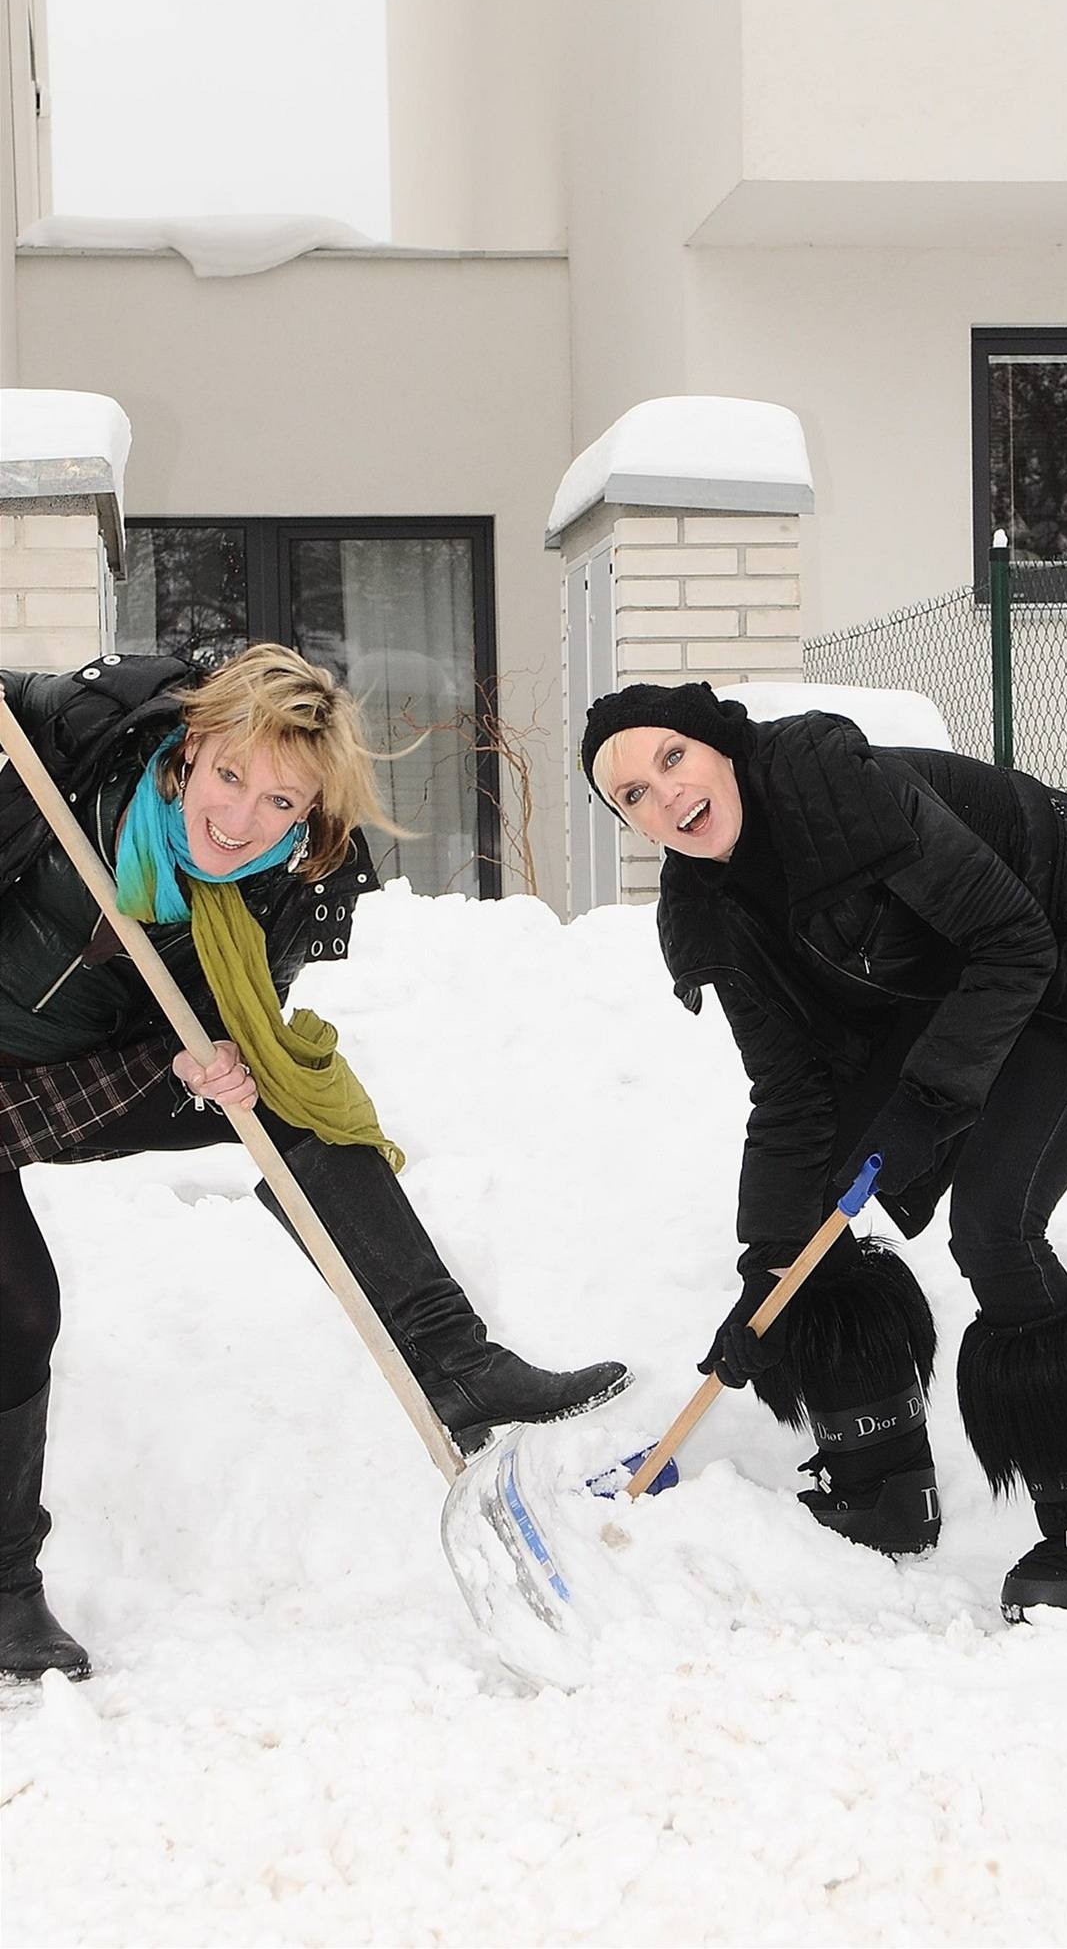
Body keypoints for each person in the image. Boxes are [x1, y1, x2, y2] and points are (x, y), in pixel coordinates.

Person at [580, 681, 1067, 1623]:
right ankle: (881, 1486)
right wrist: (767, 1265)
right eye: (632, 795)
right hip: (959, 986)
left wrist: (928, 1100)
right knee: (811, 1215)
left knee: (995, 1222)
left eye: (671, 759)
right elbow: (791, 1093)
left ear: (716, 747)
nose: (666, 797)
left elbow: (1011, 940)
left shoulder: (830, 784)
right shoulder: (711, 913)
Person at [0, 647, 630, 1682]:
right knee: (18, 1310)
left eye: (280, 799)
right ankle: (6, 1594)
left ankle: (457, 1362)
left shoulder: (290, 887)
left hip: (89, 1074)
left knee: (295, 1092)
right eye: (231, 776)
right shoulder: (91, 734)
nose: (241, 818)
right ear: (190, 750)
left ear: (309, 811)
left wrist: (226, 1064)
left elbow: (240, 1017)